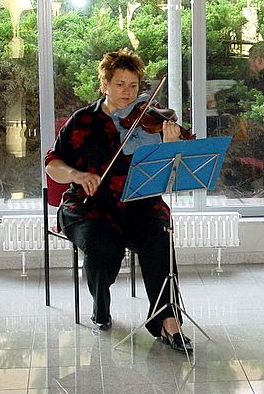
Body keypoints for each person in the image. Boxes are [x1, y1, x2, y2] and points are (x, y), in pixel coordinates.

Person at [44, 48, 192, 353]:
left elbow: (168, 174)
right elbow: (52, 164)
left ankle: (168, 321)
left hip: (139, 202)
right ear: (105, 85)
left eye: (134, 86)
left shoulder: (147, 121)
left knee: (158, 237)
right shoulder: (83, 121)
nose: (128, 92)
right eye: (120, 84)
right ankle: (101, 302)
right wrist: (76, 174)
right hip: (90, 205)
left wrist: (169, 147)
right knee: (102, 248)